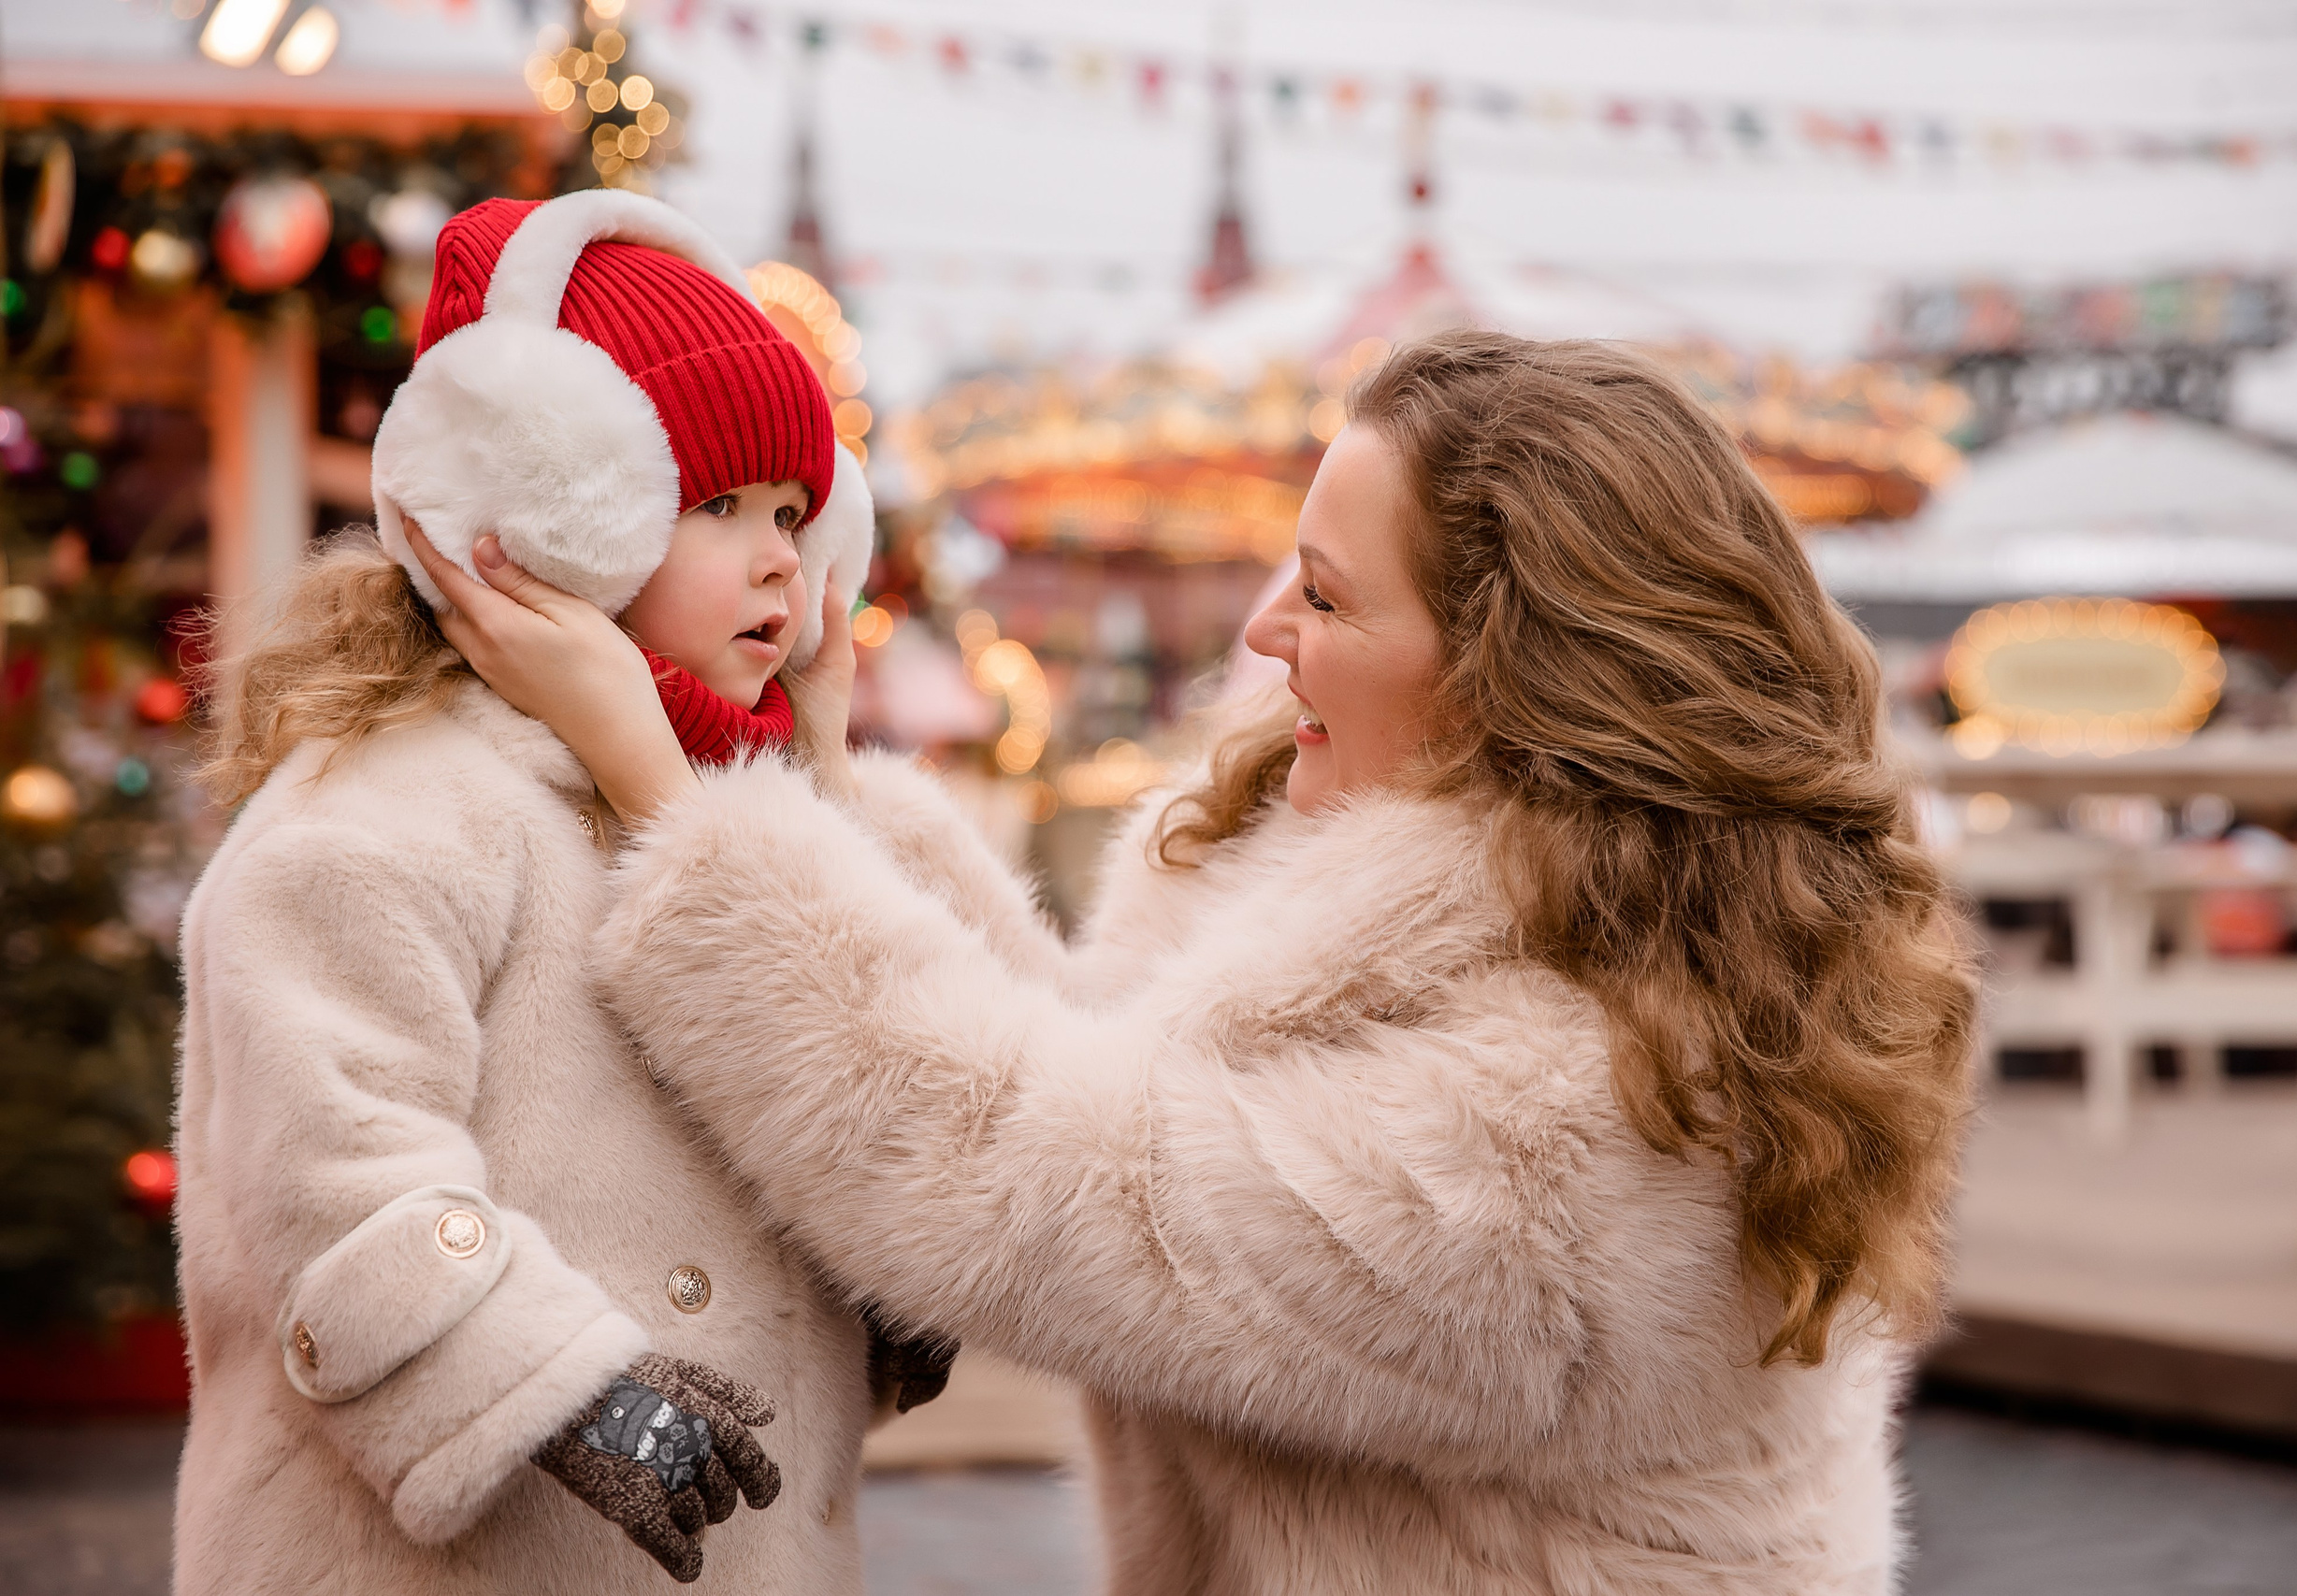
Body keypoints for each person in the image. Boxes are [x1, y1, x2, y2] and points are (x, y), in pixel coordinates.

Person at [419, 329, 1978, 1595]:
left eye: (1328, 591)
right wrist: (816, 789)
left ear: (1512, 671)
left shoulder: (1590, 1122)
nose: (1264, 621)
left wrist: (670, 799)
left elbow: (1047, 1184)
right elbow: (1106, 1075)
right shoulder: (1495, 905)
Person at [174, 190, 943, 1595]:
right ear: (558, 514)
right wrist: (553, 1383)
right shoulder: (391, 809)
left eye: (795, 510)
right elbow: (329, 1171)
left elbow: (858, 1091)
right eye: (718, 506)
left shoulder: (734, 818)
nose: (784, 554)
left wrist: (894, 1285)